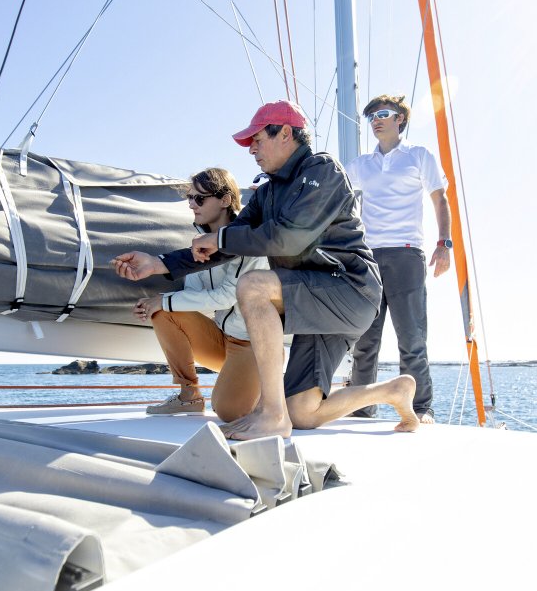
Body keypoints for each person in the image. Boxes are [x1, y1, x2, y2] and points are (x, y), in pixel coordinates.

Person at [113, 100, 419, 441]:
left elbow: (289, 238)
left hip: (349, 290)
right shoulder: (269, 191)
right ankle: (393, 391)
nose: (251, 150)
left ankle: (271, 415)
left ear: (285, 133)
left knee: (253, 286)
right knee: (303, 412)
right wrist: (159, 263)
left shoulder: (322, 171)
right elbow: (223, 245)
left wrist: (223, 238)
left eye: (256, 140)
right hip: (313, 300)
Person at [125, 168, 266, 422]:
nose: (192, 204)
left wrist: (165, 300)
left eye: (200, 198)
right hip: (223, 339)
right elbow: (193, 294)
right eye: (190, 198)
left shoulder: (247, 239)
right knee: (162, 311)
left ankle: (264, 388)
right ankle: (188, 396)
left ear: (225, 200)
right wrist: (154, 303)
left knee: (228, 412)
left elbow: (227, 296)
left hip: (253, 344)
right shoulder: (200, 242)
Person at [344, 94, 450, 424]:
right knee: (365, 339)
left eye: (384, 114)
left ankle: (421, 409)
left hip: (407, 255)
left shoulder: (418, 157)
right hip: (369, 258)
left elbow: (439, 199)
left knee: (412, 338)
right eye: (372, 116)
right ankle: (362, 409)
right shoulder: (363, 165)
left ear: (400, 119)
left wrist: (443, 243)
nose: (376, 119)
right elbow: (333, 186)